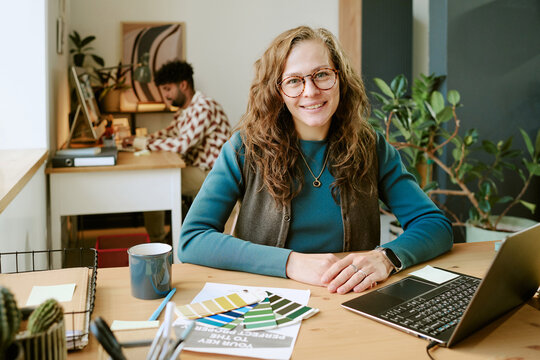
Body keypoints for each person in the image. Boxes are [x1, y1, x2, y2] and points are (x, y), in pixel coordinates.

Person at [179, 26, 453, 294]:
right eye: (294, 81)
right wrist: (290, 263)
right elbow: (193, 239)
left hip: (347, 299)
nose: (310, 91)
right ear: (278, 91)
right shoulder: (244, 148)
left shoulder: (371, 146)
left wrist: (387, 258)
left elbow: (434, 225)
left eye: (321, 75)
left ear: (340, 79)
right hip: (265, 303)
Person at [125, 60, 231, 242]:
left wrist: (142, 143)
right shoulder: (185, 111)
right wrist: (139, 140)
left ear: (183, 85)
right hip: (198, 168)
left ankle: (158, 242)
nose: (165, 96)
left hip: (213, 174)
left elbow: (181, 144)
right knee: (154, 179)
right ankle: (162, 239)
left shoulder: (203, 107)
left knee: (154, 184)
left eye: (167, 89)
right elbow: (169, 133)